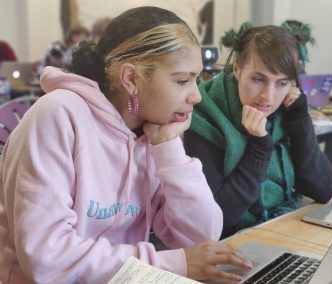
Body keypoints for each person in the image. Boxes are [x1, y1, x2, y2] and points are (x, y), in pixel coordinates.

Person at [0, 7, 252, 283]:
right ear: (131, 78)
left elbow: (202, 237)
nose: (196, 96)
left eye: (197, 79)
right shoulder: (57, 115)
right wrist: (167, 264)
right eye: (182, 80)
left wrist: (170, 150)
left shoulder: (151, 133)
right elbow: (45, 259)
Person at [184, 23, 332, 238]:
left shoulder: (286, 110)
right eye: (258, 79)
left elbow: (323, 190)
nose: (268, 96)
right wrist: (259, 148)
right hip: (233, 241)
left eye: (282, 83)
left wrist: (300, 120)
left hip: (283, 226)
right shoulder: (203, 116)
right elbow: (222, 216)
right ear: (237, 69)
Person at [281, 19, 332, 168]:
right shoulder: (281, 67)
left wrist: (319, 100)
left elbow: (307, 95)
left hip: (305, 118)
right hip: (287, 121)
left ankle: (328, 175)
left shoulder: (300, 69)